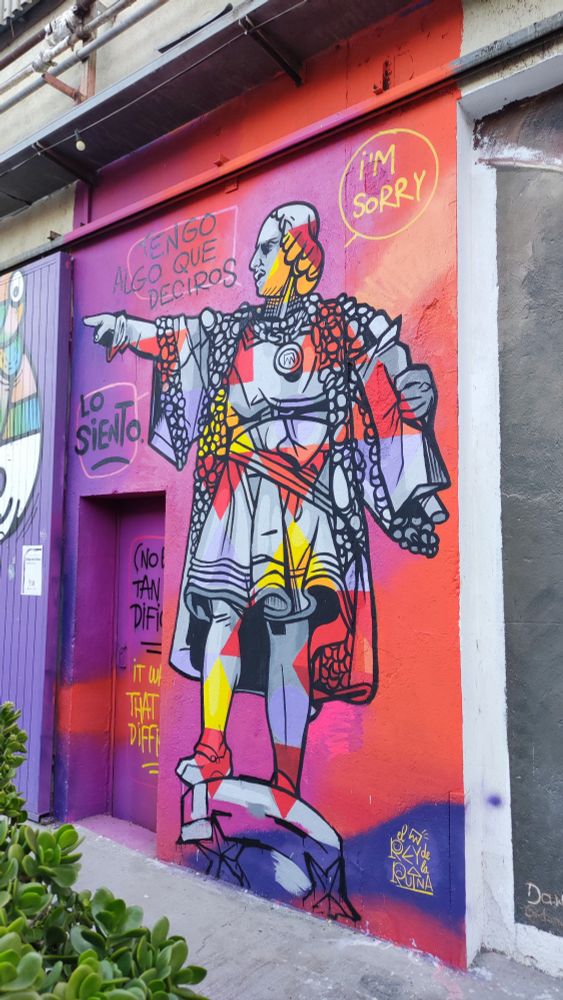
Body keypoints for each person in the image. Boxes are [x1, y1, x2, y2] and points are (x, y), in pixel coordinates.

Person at [85, 202, 449, 796]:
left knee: (290, 637)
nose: (254, 263)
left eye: (266, 250)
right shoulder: (235, 330)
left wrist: (416, 394)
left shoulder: (342, 326)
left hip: (309, 504)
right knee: (221, 616)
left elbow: (391, 385)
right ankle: (212, 748)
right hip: (238, 498)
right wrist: (125, 331)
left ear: (298, 256)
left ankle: (285, 780)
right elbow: (179, 338)